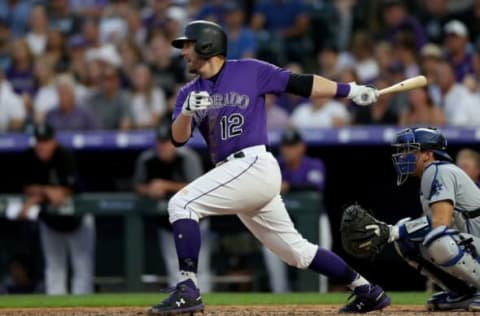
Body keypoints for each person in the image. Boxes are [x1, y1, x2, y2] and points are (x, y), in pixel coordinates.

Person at [147, 20, 389, 315]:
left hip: (253, 164)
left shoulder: (249, 70)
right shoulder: (188, 91)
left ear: (206, 45)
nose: (183, 51)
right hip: (237, 176)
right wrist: (186, 112)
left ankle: (188, 287)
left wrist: (348, 90)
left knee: (181, 204)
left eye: (188, 44)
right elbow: (178, 138)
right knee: (297, 252)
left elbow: (300, 83)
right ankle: (367, 290)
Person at [351, 127, 480, 311]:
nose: (403, 155)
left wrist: (393, 231)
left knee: (437, 238)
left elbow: (440, 223)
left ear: (427, 154)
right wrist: (397, 231)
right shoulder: (432, 174)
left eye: (409, 150)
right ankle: (462, 293)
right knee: (408, 239)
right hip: (475, 242)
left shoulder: (438, 170)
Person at [133, 122, 212, 292]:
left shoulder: (188, 157)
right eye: (160, 142)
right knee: (173, 267)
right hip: (168, 225)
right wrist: (149, 189)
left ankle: (206, 304)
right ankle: (180, 300)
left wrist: (166, 186)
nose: (163, 146)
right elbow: (137, 185)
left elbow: (198, 187)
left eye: (167, 142)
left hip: (195, 222)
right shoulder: (147, 159)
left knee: (200, 266)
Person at [18, 123, 95, 295]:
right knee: (54, 266)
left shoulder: (64, 155)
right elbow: (26, 187)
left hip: (78, 219)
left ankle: (83, 311)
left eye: (45, 141)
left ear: (53, 141)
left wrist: (39, 194)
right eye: (39, 141)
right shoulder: (29, 156)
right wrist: (46, 191)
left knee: (82, 266)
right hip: (51, 221)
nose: (42, 145)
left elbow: (62, 193)